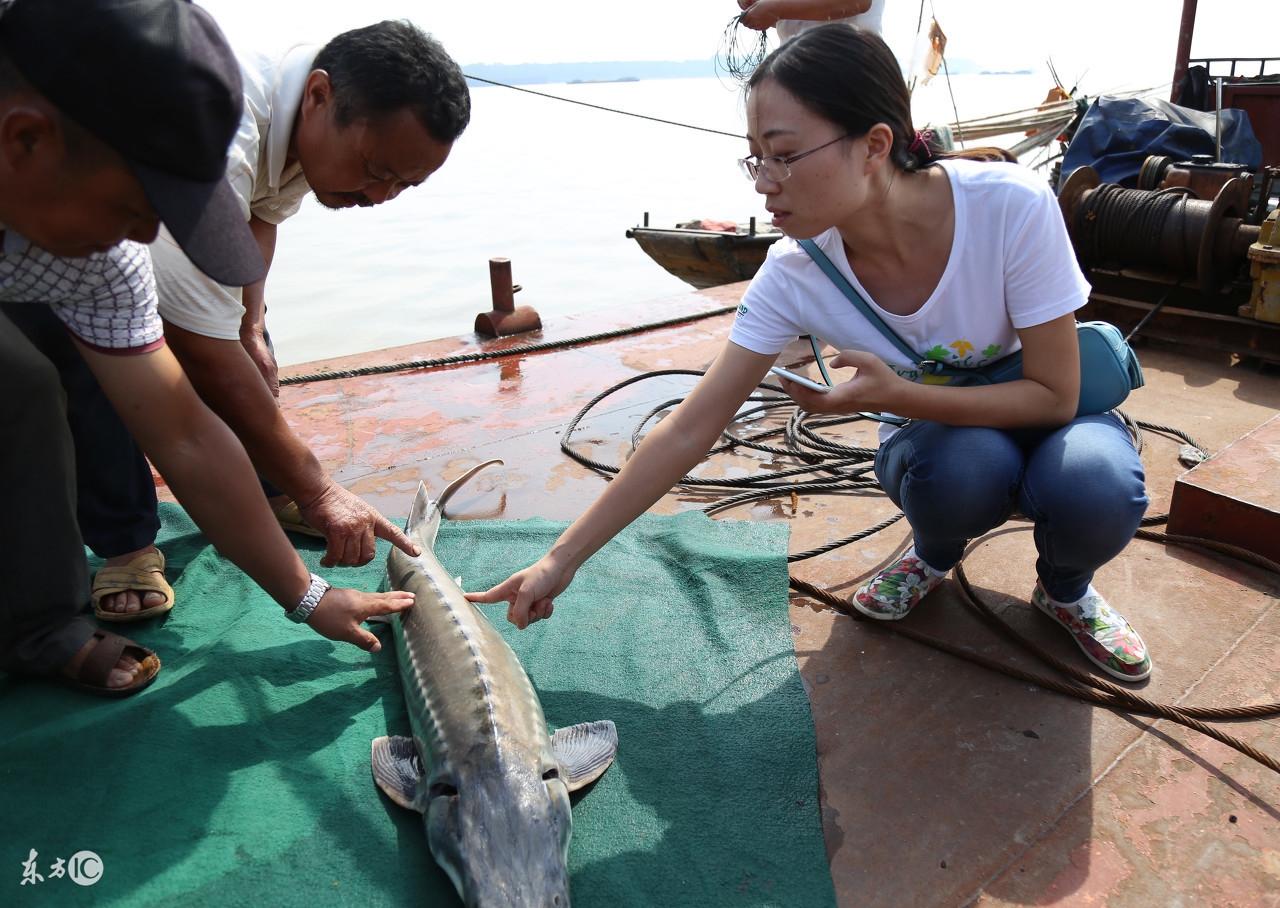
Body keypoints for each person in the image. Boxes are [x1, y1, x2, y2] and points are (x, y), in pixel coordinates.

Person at [468, 24, 1152, 683]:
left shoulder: (1011, 207)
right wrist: (559, 562)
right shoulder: (795, 274)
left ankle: (1066, 590)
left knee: (1096, 481)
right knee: (960, 470)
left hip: (1050, 413)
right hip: (948, 442)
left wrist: (894, 395)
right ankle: (931, 557)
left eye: (784, 154)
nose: (763, 181)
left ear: (874, 144)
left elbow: (1055, 396)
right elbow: (688, 429)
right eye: (754, 156)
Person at [0, 0, 414, 698]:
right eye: (136, 211)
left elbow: (185, 433)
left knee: (26, 385)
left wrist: (308, 595)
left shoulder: (109, 258)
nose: (143, 242)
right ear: (25, 141)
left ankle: (39, 627)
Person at [737, 0, 885, 41]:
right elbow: (798, 23)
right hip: (799, 68)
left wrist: (776, 8)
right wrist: (760, 8)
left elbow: (858, 2)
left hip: (851, 64)